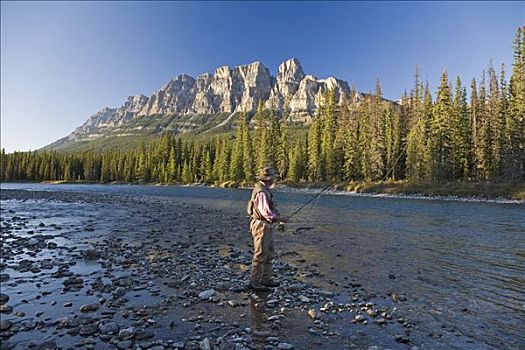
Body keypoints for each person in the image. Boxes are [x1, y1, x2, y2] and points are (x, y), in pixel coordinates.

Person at [247, 166, 288, 291]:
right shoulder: (261, 192)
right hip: (261, 225)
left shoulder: (264, 189)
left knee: (269, 253)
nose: (273, 181)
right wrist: (280, 219)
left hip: (266, 225)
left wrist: (277, 218)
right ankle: (254, 282)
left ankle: (266, 279)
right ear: (268, 179)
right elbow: (266, 213)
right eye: (272, 178)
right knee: (260, 254)